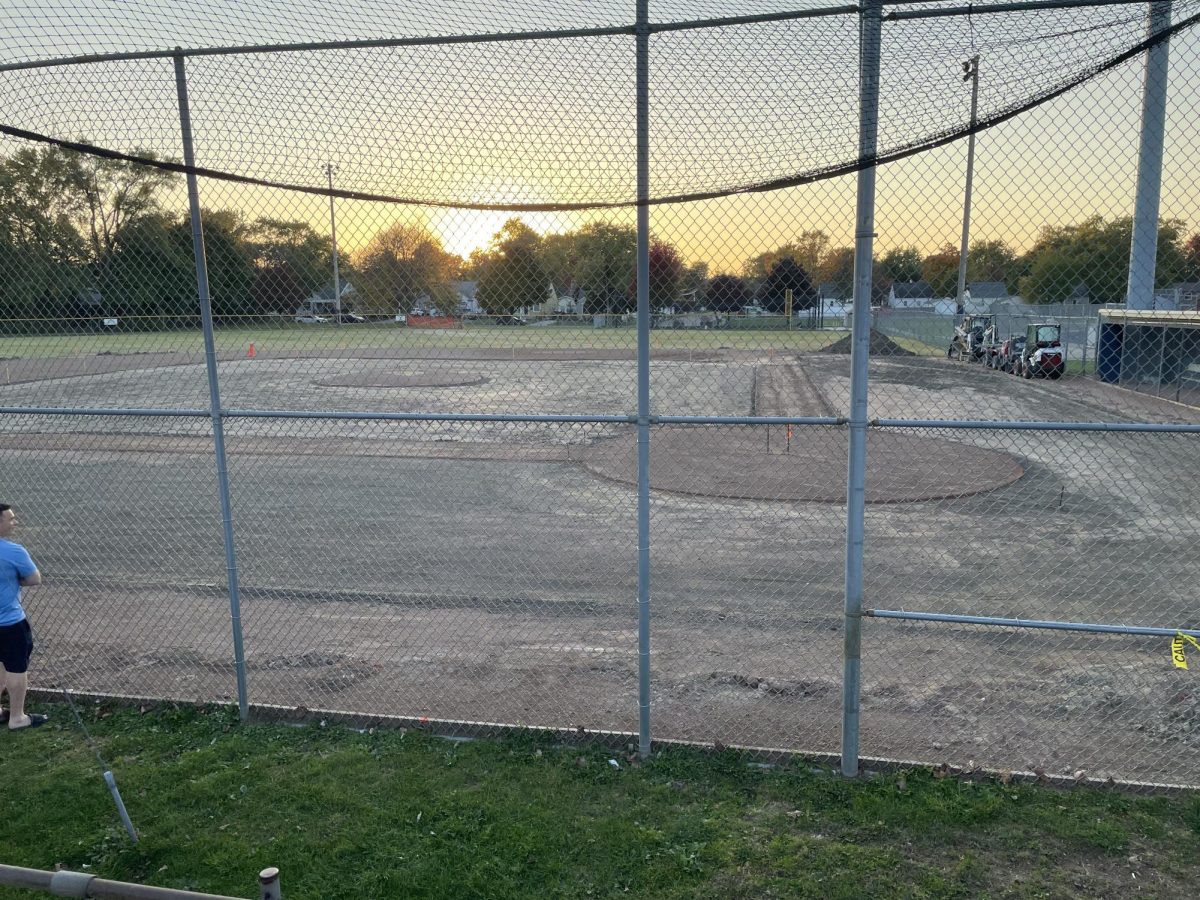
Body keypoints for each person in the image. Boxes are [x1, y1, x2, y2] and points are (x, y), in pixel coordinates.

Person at [0, 503, 46, 730]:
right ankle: (17, 718)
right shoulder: (13, 551)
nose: (14, 522)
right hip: (9, 623)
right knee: (16, 667)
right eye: (10, 519)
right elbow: (34, 579)